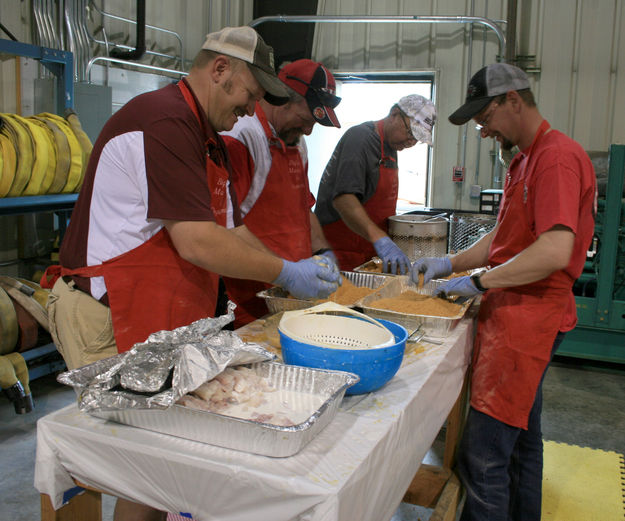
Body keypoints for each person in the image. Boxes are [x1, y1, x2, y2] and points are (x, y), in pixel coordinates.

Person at [42, 26, 340, 521]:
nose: (250, 109)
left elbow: (231, 230)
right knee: (116, 468)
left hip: (158, 318)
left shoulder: (208, 140)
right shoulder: (163, 122)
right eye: (249, 94)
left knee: (159, 470)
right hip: (106, 312)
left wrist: (296, 269)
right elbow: (196, 240)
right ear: (220, 69)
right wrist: (286, 270)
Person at [411, 63, 596, 521]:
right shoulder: (524, 159)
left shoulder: (555, 158)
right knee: (521, 446)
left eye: (485, 115)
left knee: (484, 458)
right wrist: (449, 263)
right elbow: (503, 238)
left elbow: (554, 249)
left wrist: (477, 282)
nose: (482, 127)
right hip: (515, 314)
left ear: (514, 100)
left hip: (527, 321)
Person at [220, 58, 341, 327]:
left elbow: (303, 206)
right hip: (250, 301)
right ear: (284, 99)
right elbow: (226, 227)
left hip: (294, 297)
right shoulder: (241, 137)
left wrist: (322, 251)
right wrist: (287, 274)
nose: (308, 130)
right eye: (305, 119)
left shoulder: (297, 142)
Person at [314, 94, 436, 274]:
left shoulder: (391, 148)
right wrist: (380, 239)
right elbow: (343, 200)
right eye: (411, 133)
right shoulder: (361, 138)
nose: (410, 142)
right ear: (394, 114)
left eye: (416, 139)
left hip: (369, 254)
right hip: (342, 254)